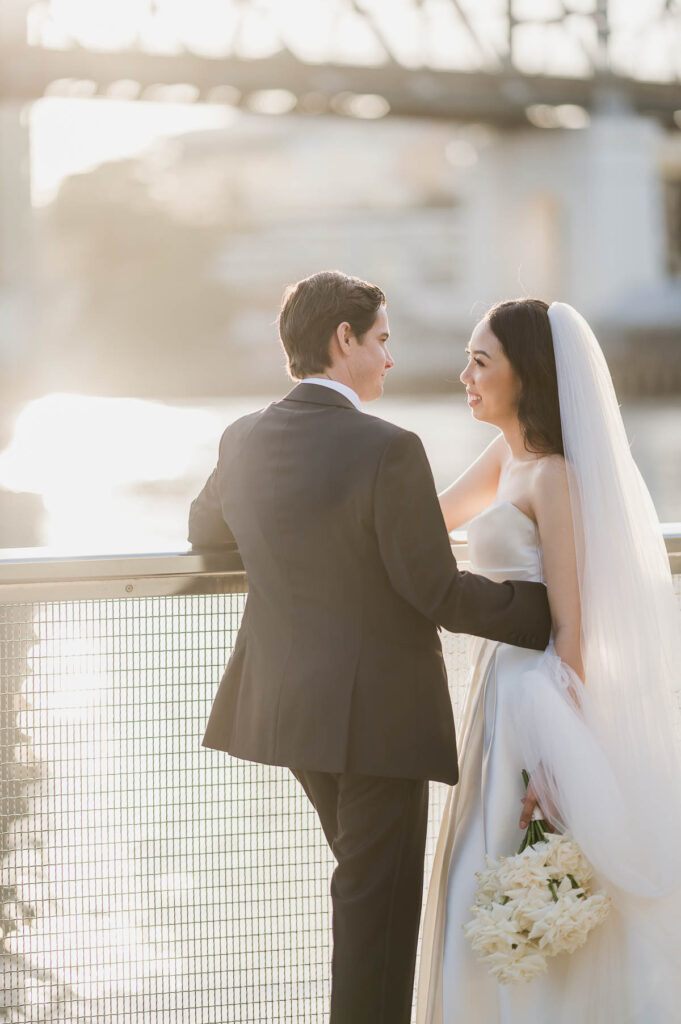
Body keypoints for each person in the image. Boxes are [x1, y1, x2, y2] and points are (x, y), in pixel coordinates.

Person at [187, 271, 552, 1024]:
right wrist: (539, 610)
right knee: (376, 919)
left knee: (361, 896)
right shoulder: (386, 448)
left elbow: (206, 533)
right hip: (377, 720)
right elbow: (437, 591)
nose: (389, 359)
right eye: (381, 339)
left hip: (287, 712)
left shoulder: (243, 435)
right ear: (342, 339)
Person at [416, 298, 681, 1024]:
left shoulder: (554, 478)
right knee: (483, 861)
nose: (463, 374)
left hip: (538, 696)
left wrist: (553, 760)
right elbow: (427, 521)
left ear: (524, 375)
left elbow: (573, 627)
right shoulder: (506, 455)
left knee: (523, 853)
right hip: (493, 689)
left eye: (480, 361)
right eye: (467, 358)